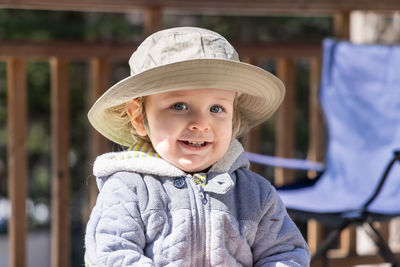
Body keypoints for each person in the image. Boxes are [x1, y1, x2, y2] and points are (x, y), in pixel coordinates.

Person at [85, 26, 310, 267]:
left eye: (216, 109)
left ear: (233, 119)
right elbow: (112, 254)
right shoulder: (129, 189)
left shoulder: (255, 194)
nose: (201, 124)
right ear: (139, 117)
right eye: (179, 106)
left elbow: (286, 253)